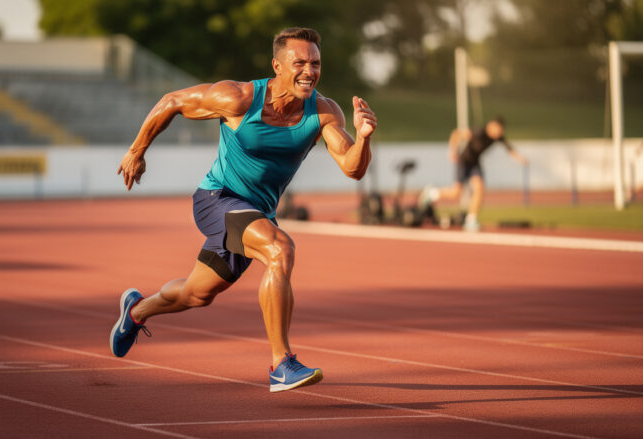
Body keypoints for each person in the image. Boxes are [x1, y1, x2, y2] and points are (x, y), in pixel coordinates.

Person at [110, 27, 377, 392]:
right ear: (277, 66)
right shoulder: (237, 98)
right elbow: (172, 100)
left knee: (196, 294)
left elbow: (352, 167)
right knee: (280, 249)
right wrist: (136, 151)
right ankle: (282, 363)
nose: (309, 71)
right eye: (299, 63)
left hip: (256, 214)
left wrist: (362, 138)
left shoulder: (324, 112)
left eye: (315, 63)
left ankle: (136, 310)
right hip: (217, 199)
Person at [419, 117, 527, 231]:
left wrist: (520, 159)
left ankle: (471, 219)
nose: (498, 133)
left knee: (479, 188)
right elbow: (456, 133)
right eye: (497, 130)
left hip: (475, 163)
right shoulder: (479, 131)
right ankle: (431, 193)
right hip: (464, 161)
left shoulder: (498, 137)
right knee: (455, 192)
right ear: (491, 126)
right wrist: (452, 151)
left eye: (500, 131)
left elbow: (509, 148)